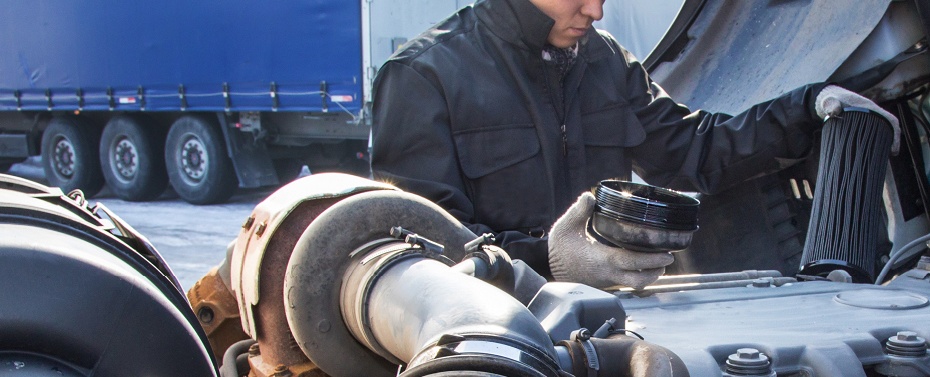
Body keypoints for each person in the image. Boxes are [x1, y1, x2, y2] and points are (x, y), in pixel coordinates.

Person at [370, 0, 896, 289]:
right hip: (497, 344)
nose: (596, 10)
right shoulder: (423, 76)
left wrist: (804, 108)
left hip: (614, 329)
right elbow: (423, 252)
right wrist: (548, 261)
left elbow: (695, 150)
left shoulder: (605, 63)